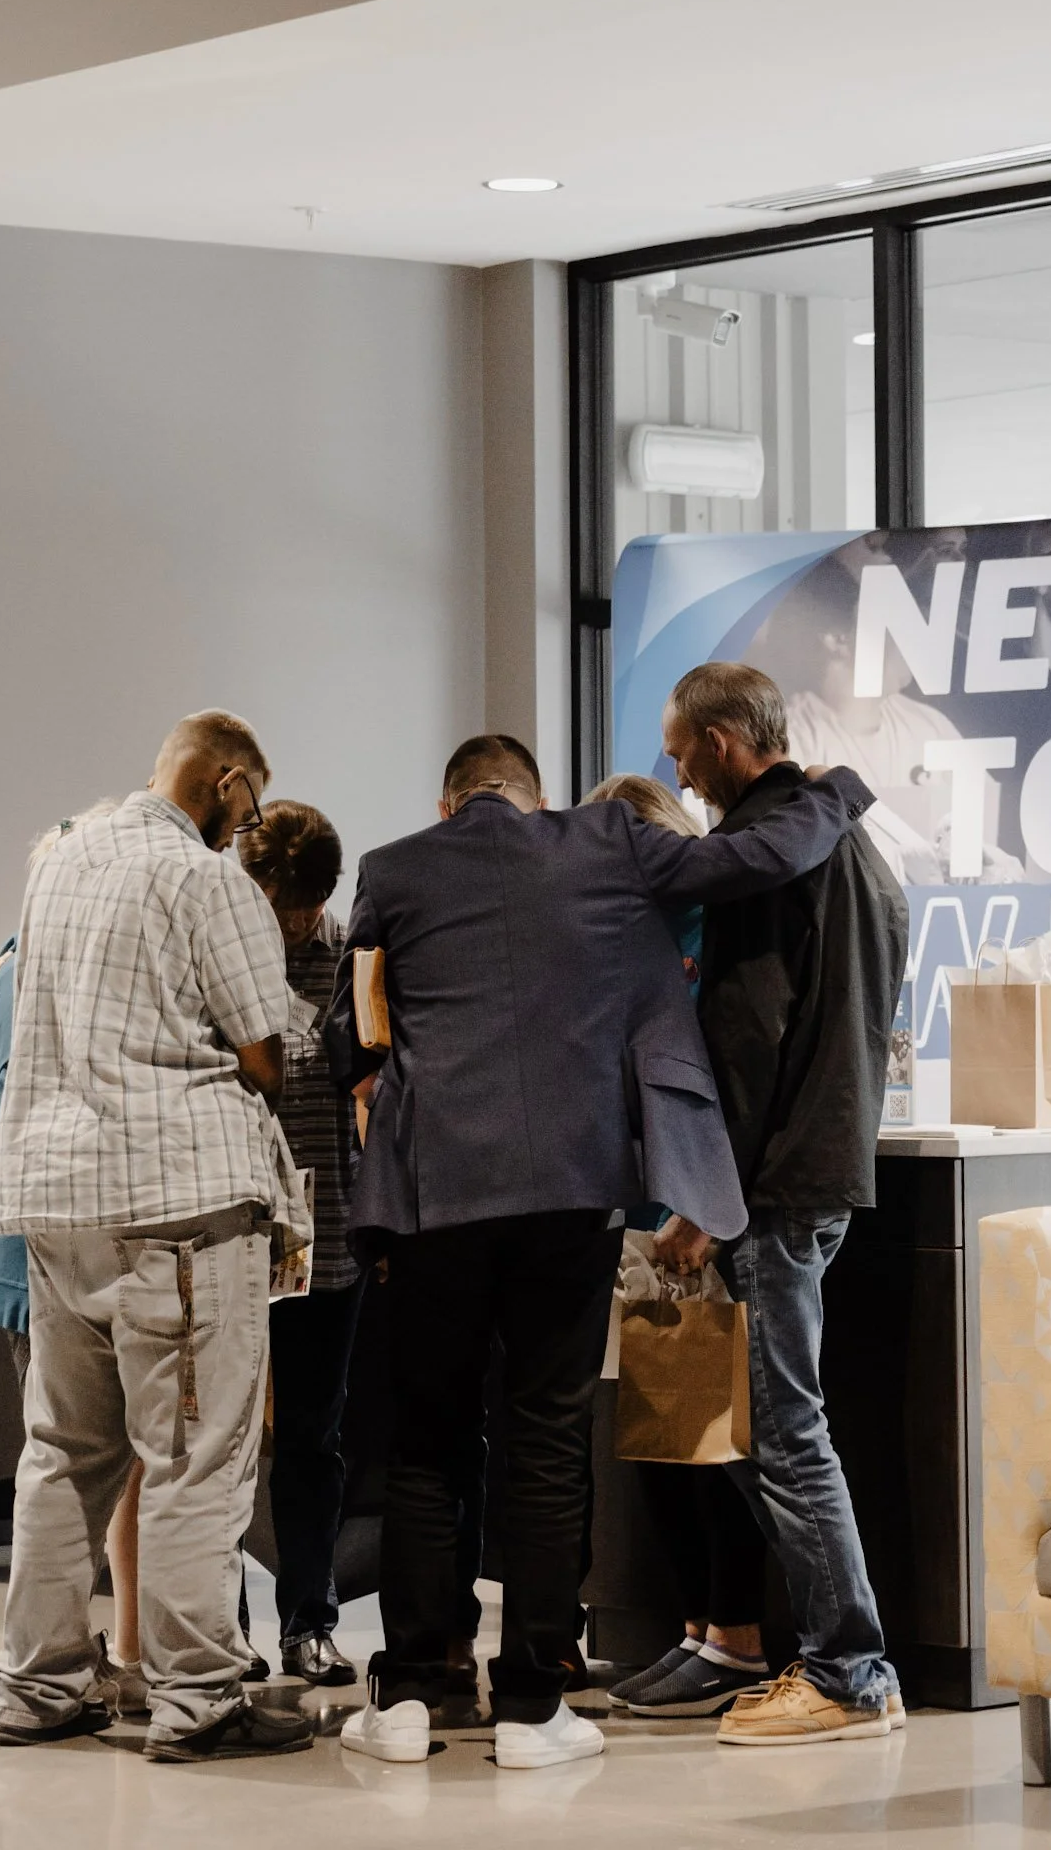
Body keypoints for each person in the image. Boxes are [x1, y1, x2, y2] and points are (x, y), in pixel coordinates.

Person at [327, 733, 874, 1770]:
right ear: (536, 800)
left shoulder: (392, 871)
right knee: (545, 1439)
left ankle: (410, 1694)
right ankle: (534, 1706)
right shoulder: (605, 841)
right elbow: (757, 856)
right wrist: (837, 791)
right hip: (571, 1194)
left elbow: (355, 1036)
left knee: (429, 1445)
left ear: (448, 804)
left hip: (434, 1202)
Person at [0, 711, 314, 1764]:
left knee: (62, 1453)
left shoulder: (58, 859)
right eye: (249, 804)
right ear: (226, 780)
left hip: (57, 1199)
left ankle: (36, 1684)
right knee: (193, 1459)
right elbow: (265, 1053)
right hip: (178, 1203)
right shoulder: (205, 878)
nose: (247, 825)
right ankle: (199, 1698)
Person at [659, 663, 908, 1747]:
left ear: (720, 742)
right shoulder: (857, 848)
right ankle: (845, 1664)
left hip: (774, 1187)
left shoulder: (761, 861)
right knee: (789, 1426)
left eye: (682, 753)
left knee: (786, 1434)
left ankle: (849, 1671)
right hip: (827, 1169)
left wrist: (708, 1199)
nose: (679, 774)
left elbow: (747, 1047)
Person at [582, 775, 769, 1720]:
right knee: (657, 1442)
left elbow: (734, 1080)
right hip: (631, 1216)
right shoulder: (622, 934)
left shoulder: (710, 931)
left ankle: (736, 1637)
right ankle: (697, 1629)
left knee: (708, 1442)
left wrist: (705, 1211)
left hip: (692, 1218)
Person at [0, 802, 152, 1713]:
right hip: (43, 1259)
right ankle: (54, 1665)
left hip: (50, 1252)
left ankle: (74, 1659)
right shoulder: (25, 978)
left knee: (81, 1467)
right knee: (70, 1466)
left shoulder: (28, 969)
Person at [237, 800, 366, 1687]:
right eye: (282, 904)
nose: (296, 921)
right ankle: (222, 1631)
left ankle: (309, 1623)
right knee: (220, 1445)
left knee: (313, 1439)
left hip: (327, 1240)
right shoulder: (220, 958)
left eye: (308, 904)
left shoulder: (350, 956)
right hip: (234, 1237)